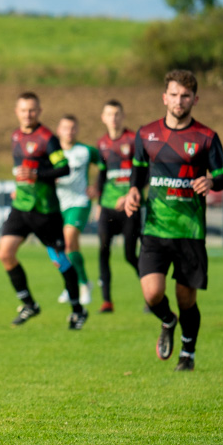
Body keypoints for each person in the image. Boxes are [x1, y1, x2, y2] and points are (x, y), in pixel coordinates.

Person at [125, 70, 223, 371]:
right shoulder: (146, 133)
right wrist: (133, 190)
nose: (179, 101)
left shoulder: (206, 137)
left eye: (185, 96)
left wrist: (211, 182)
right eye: (174, 94)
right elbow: (139, 170)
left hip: (190, 231)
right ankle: (167, 321)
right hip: (155, 228)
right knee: (153, 293)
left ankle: (188, 353)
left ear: (195, 99)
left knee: (186, 299)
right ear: (164, 97)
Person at [0, 92, 88, 330]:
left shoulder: (48, 139)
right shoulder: (15, 136)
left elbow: (64, 169)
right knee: (5, 253)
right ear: (17, 111)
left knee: (60, 260)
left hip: (45, 211)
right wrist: (20, 187)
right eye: (24, 110)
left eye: (33, 110)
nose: (28, 114)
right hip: (21, 207)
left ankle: (78, 310)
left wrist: (37, 176)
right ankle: (29, 304)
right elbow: (21, 169)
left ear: (39, 111)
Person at [95, 100, 140, 313]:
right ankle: (106, 301)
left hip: (130, 207)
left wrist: (131, 194)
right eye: (109, 114)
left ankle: (152, 294)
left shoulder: (133, 140)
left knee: (130, 255)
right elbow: (102, 174)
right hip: (108, 207)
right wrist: (97, 202)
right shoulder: (102, 143)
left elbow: (143, 173)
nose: (113, 118)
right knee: (103, 250)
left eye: (117, 114)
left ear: (122, 116)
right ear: (103, 118)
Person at [54, 115, 101, 306]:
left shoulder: (86, 151)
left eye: (73, 128)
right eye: (65, 128)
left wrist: (98, 186)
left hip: (79, 202)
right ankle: (74, 283)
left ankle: (82, 284)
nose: (69, 132)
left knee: (69, 239)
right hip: (58, 204)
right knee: (66, 248)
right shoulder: (53, 151)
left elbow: (105, 165)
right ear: (59, 130)